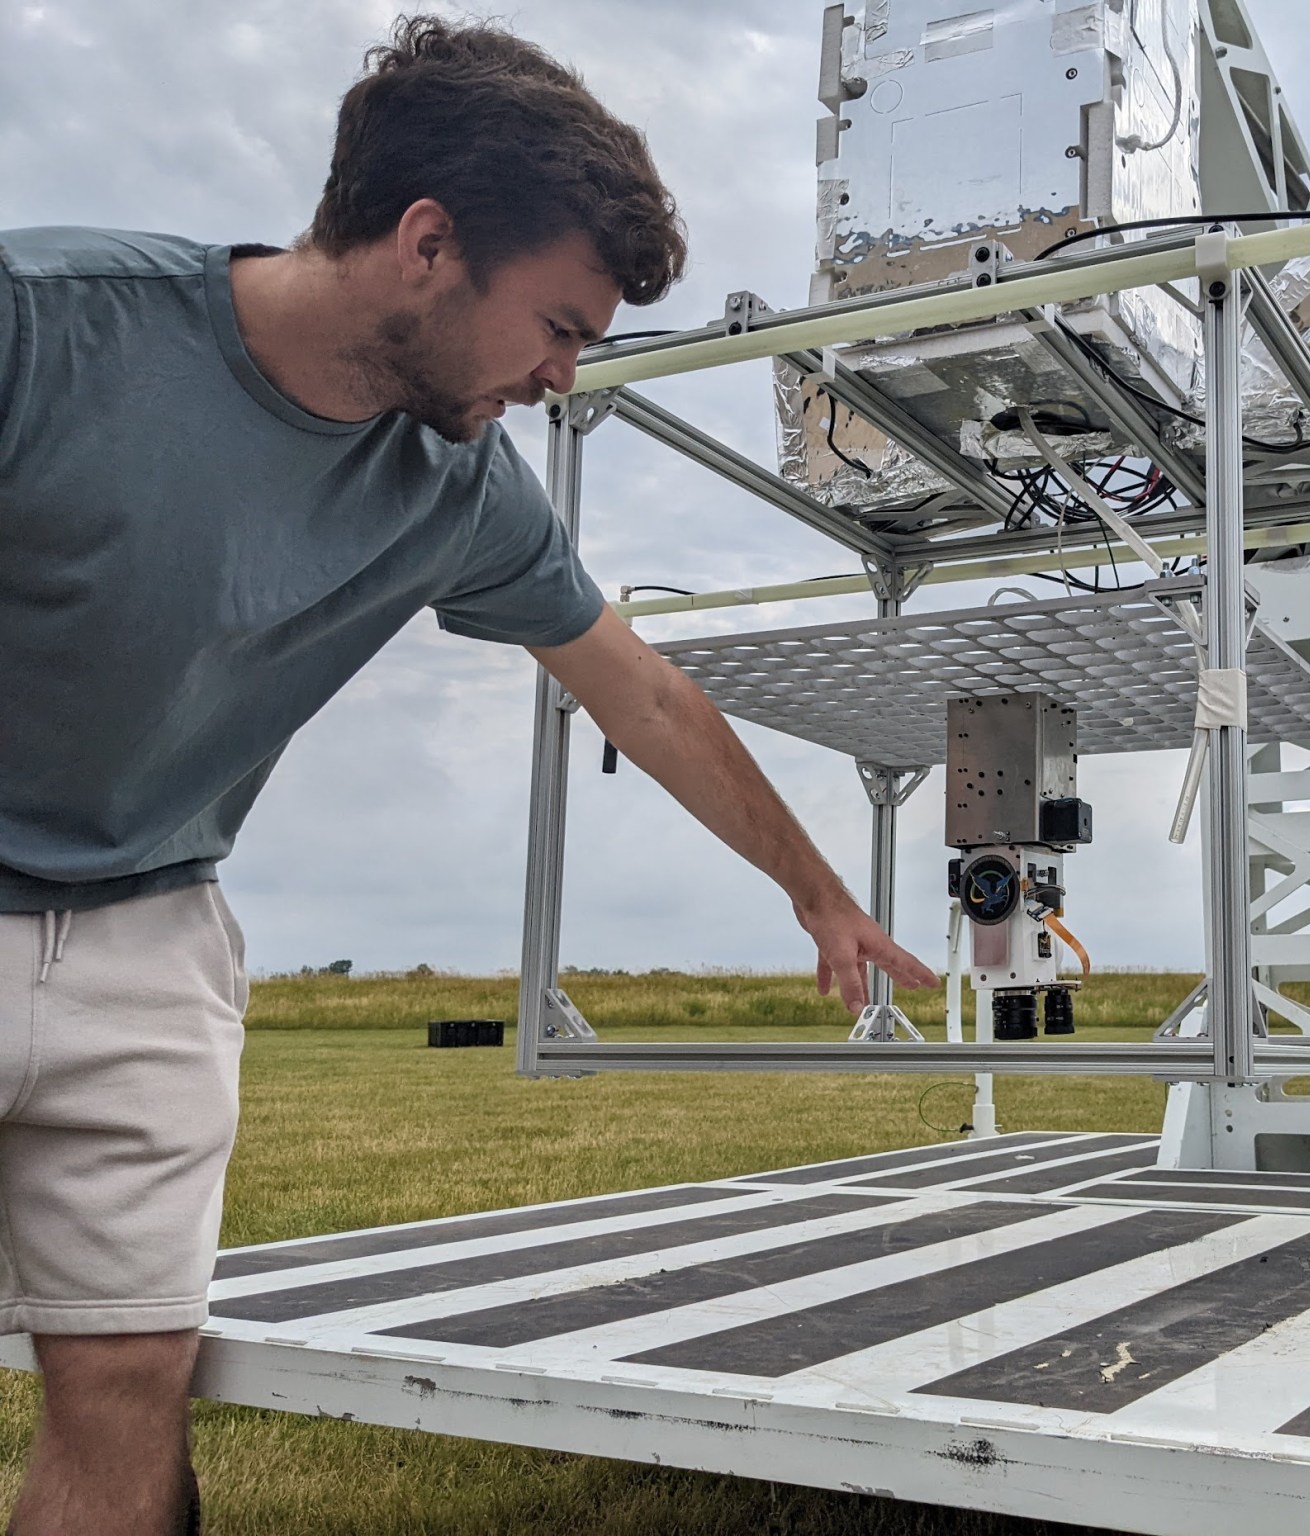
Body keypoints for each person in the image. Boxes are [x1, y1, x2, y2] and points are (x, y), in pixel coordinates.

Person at [0, 17, 937, 1533]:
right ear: (428, 242)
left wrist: (821, 892)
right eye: (559, 325)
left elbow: (648, 693)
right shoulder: (46, 325)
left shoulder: (459, 489)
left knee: (126, 1391)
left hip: (150, 939)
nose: (564, 377)